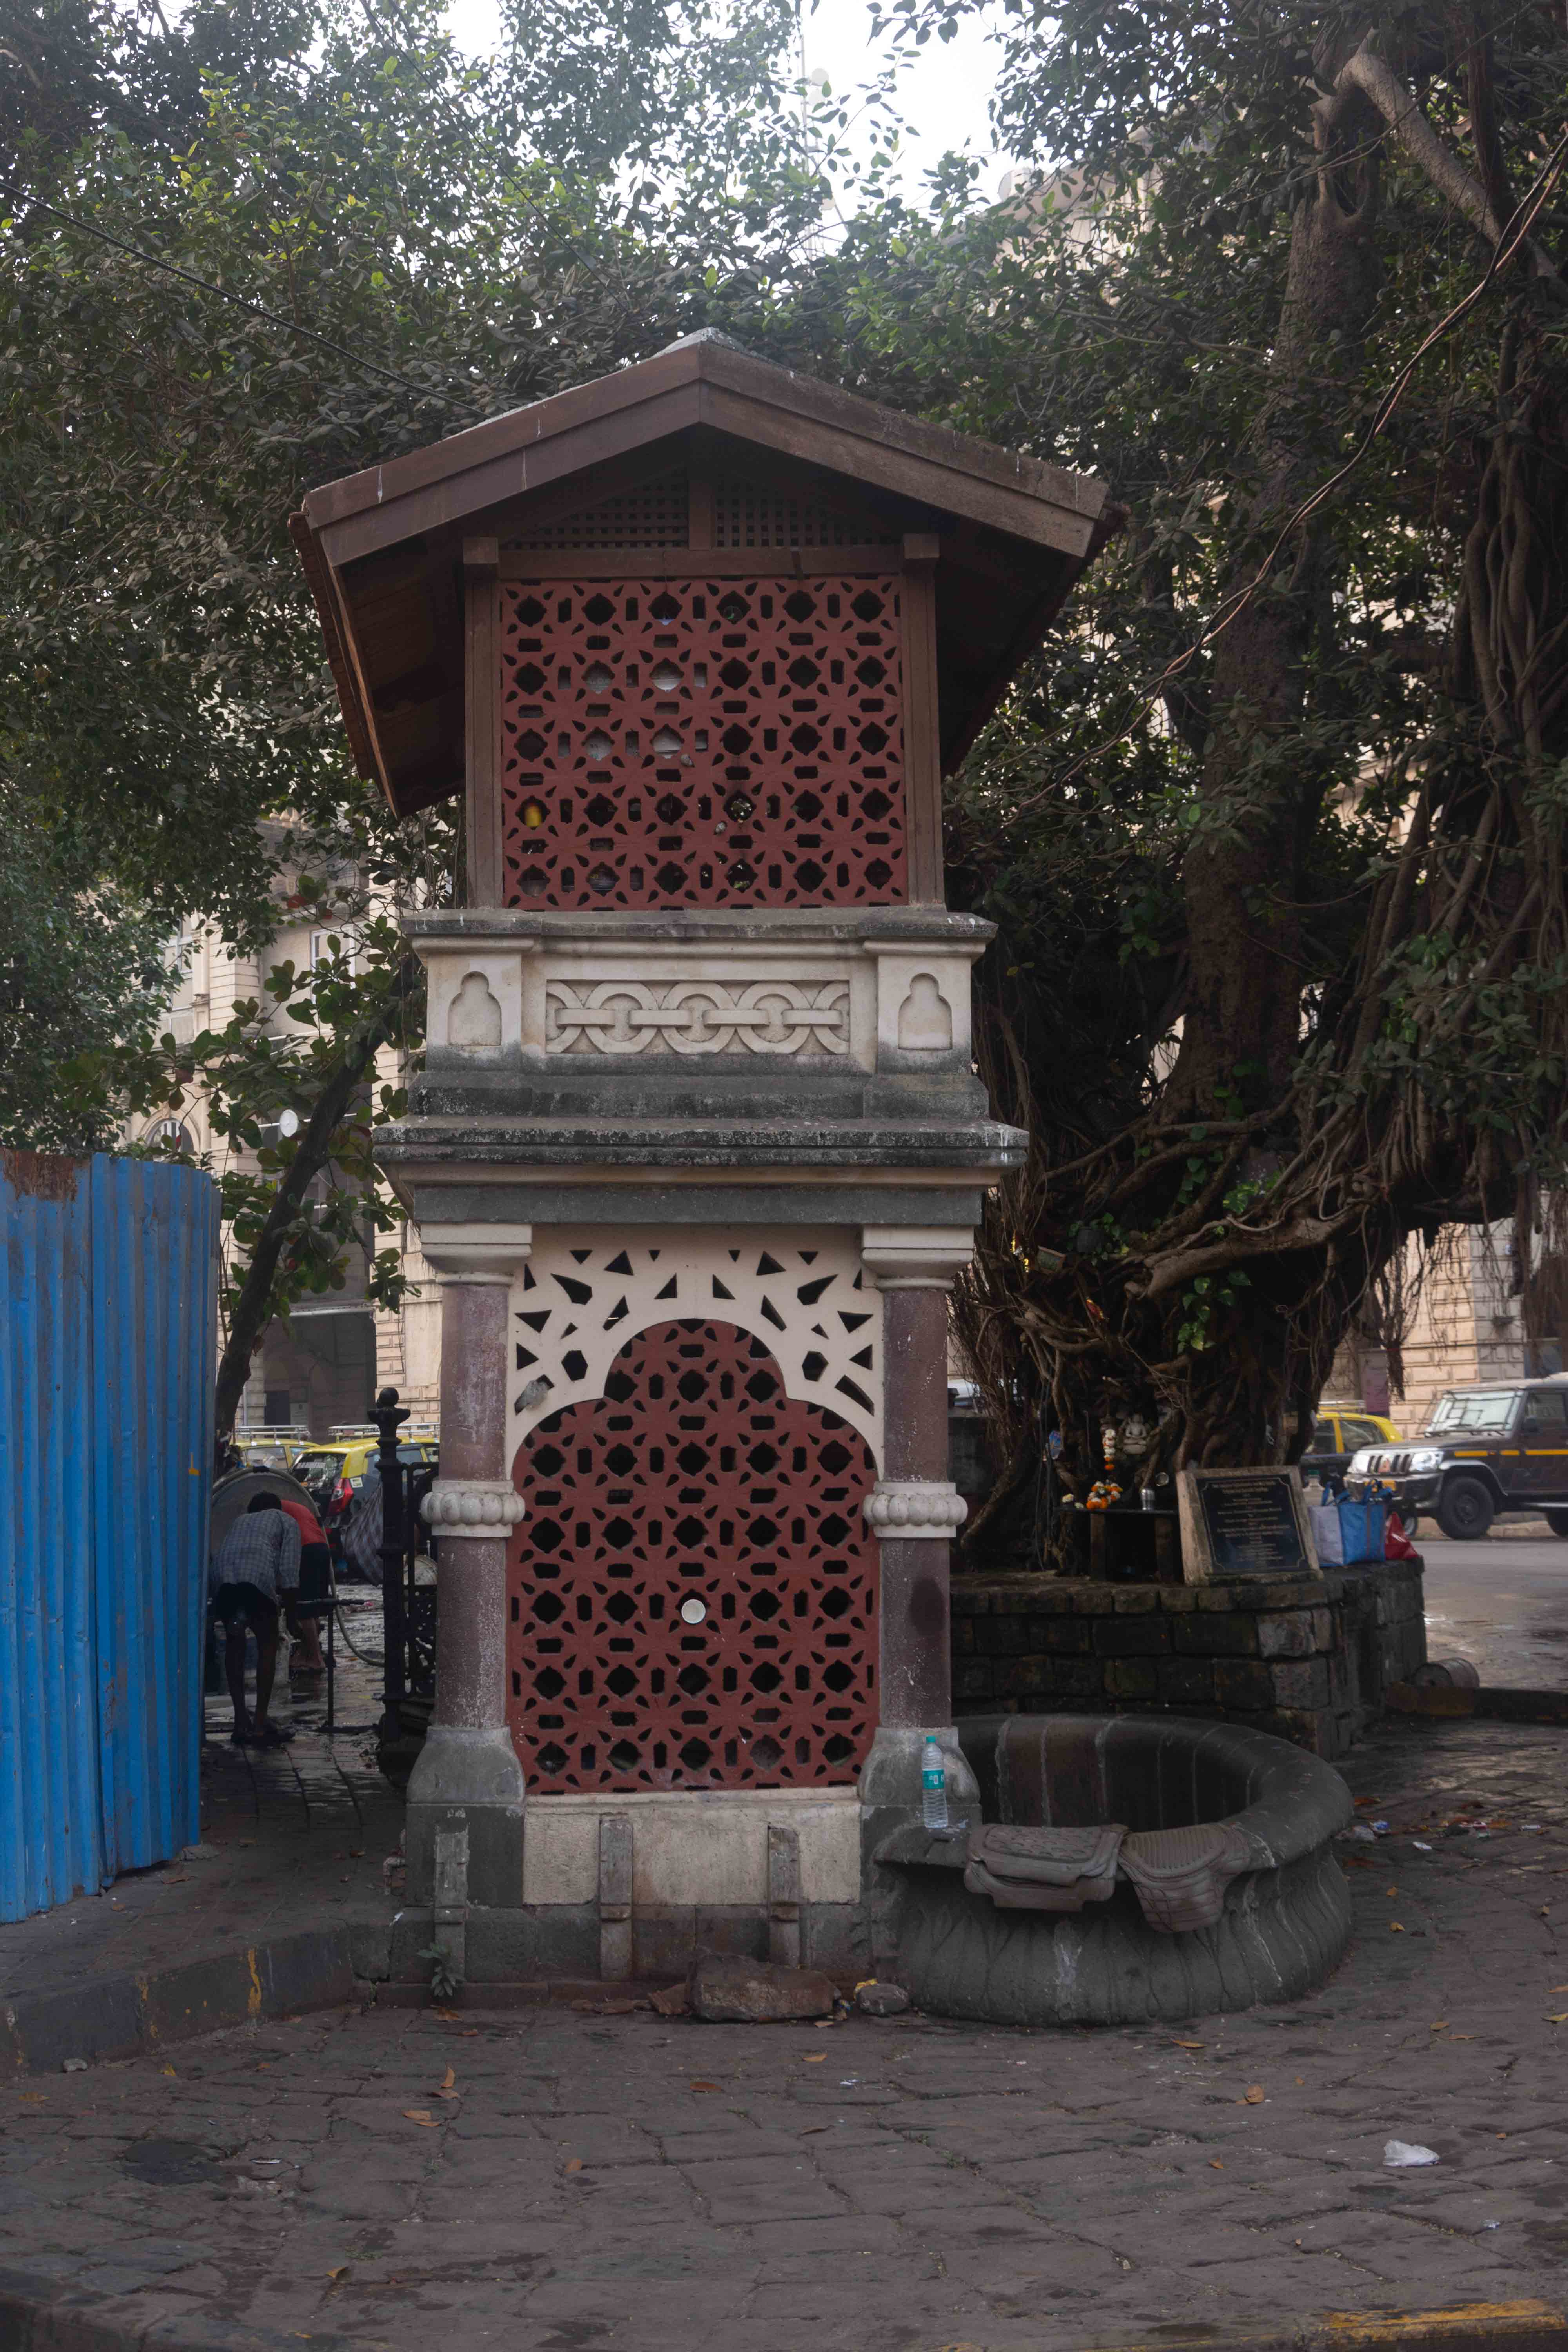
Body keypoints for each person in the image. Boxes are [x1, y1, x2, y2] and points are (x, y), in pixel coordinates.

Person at [209, 1494, 301, 1747]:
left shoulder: (240, 1521)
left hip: (223, 1581)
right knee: (268, 1645)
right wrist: (292, 1618)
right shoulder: (285, 1520)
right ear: (277, 1507)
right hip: (257, 1580)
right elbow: (290, 1573)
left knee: (235, 1644)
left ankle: (241, 1722)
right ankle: (260, 1724)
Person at [274, 1490, 330, 1675]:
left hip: (305, 1550)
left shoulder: (273, 1511)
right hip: (322, 1548)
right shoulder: (297, 1507)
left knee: (304, 1607)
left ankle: (316, 1658)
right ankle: (307, 1654)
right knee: (314, 1606)